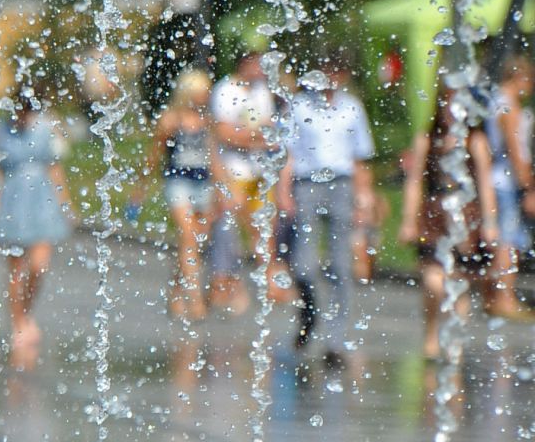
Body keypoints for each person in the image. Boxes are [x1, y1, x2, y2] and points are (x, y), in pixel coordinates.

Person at [278, 55, 376, 361]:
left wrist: (364, 198)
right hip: (306, 184)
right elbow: (288, 153)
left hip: (341, 184)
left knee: (340, 265)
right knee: (303, 264)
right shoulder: (300, 106)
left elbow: (359, 158)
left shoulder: (351, 108)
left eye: (337, 70)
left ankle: (335, 340)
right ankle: (310, 312)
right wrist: (283, 192)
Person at [400, 85, 500, 359]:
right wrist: (408, 219)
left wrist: (490, 222)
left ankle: (454, 342)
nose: (451, 112)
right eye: (447, 104)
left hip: (465, 219)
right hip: (433, 216)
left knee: (459, 282)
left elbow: (486, 184)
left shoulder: (474, 141)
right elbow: (415, 181)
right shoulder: (428, 139)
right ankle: (432, 332)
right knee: (433, 281)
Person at [0, 82, 72, 365]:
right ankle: (18, 322)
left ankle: (26, 312)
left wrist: (65, 202)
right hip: (14, 200)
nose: (24, 115)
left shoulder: (45, 129)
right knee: (16, 269)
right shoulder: (2, 132)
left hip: (41, 198)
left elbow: (55, 167)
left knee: (39, 266)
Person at [145, 68, 218, 319]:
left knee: (197, 242)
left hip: (203, 183)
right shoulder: (171, 120)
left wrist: (224, 188)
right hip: (178, 183)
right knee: (188, 237)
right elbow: (153, 156)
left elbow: (214, 157)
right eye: (200, 92)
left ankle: (176, 288)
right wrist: (140, 190)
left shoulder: (208, 121)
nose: (204, 97)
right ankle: (195, 299)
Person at [210, 50, 279, 312]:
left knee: (263, 229)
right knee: (228, 231)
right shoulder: (225, 90)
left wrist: (252, 137)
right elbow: (224, 132)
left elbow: (270, 128)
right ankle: (225, 284)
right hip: (232, 171)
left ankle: (268, 282)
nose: (261, 69)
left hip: (259, 172)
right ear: (244, 63)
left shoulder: (262, 91)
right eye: (257, 63)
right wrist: (253, 137)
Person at [483, 57, 535, 318]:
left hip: (495, 179)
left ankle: (493, 296)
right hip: (507, 182)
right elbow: (516, 152)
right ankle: (504, 297)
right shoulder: (509, 107)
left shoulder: (494, 102)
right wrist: (529, 187)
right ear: (520, 78)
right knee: (508, 241)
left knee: (503, 238)